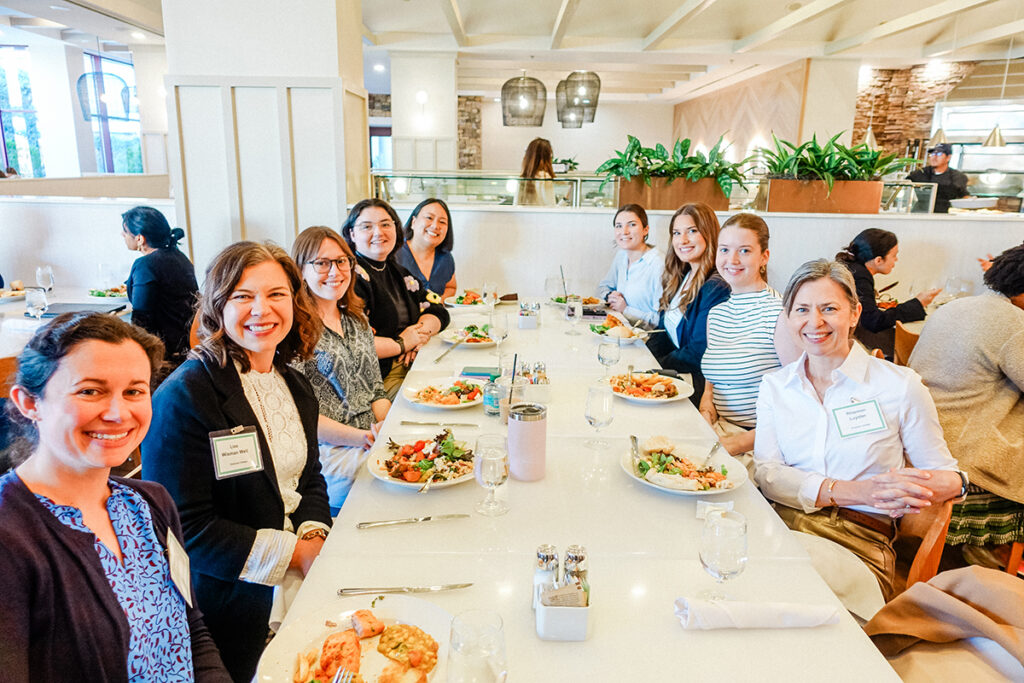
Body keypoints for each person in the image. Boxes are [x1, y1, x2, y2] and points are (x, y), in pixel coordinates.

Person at [0, 312, 230, 681]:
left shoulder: (151, 505)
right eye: (90, 390)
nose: (117, 413)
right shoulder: (11, 536)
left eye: (134, 391)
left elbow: (192, 631)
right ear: (30, 403)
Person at [142, 241, 332, 682]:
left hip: (305, 574)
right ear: (217, 305)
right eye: (242, 296)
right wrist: (296, 554)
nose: (261, 310)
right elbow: (187, 527)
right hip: (231, 601)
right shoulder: (186, 396)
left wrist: (315, 534)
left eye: (276, 294)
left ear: (295, 301)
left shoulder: (294, 385)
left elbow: (310, 480)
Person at [755, 259, 964, 599]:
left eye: (829, 309)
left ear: (854, 314)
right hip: (778, 527)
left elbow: (947, 476)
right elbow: (767, 474)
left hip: (858, 541)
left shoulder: (899, 386)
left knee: (777, 592)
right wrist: (857, 491)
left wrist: (923, 487)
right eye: (802, 309)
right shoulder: (775, 387)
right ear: (788, 318)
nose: (815, 322)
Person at [910, 244, 1024, 569]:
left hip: (922, 437)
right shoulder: (1013, 323)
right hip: (967, 453)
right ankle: (994, 554)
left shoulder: (955, 307)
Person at [291, 226, 390, 513]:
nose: (334, 271)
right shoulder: (296, 330)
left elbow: (377, 391)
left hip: (370, 439)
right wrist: (366, 438)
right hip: (330, 451)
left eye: (341, 261)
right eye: (321, 263)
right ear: (301, 270)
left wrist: (388, 427)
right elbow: (303, 417)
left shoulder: (356, 320)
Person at [699, 213, 796, 461]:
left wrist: (737, 443)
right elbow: (713, 378)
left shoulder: (780, 313)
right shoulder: (717, 313)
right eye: (724, 250)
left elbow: (801, 398)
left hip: (762, 444)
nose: (731, 260)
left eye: (744, 251)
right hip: (719, 431)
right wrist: (706, 407)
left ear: (764, 257)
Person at [342, 199, 450, 399]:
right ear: (352, 234)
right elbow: (355, 344)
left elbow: (437, 308)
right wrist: (403, 343)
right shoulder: (350, 277)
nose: (378, 233)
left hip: (412, 363)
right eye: (367, 226)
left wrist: (417, 335)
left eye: (385, 224)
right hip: (376, 380)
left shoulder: (397, 272)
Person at [645, 203, 730, 405]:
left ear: (709, 234)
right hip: (676, 373)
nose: (682, 240)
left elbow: (698, 350)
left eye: (692, 231)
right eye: (676, 233)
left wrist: (655, 368)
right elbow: (662, 332)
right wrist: (643, 358)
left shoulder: (716, 286)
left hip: (698, 385)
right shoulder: (682, 276)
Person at [835, 229, 941, 358]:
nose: (896, 260)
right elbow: (873, 321)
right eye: (894, 255)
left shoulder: (852, 268)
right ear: (878, 260)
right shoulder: (860, 277)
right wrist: (918, 303)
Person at [121, 206, 200, 366]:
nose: (122, 235)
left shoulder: (145, 265)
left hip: (163, 356)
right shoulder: (179, 257)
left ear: (140, 238)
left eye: (125, 231)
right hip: (187, 349)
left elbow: (141, 319)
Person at [596, 204, 664, 327]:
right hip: (620, 330)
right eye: (619, 226)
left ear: (645, 230)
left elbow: (661, 321)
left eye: (632, 224)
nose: (624, 231)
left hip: (646, 341)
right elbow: (603, 287)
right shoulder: (621, 255)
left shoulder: (658, 264)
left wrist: (626, 310)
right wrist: (609, 296)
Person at [394, 197, 457, 300]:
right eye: (429, 218)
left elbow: (451, 288)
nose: (435, 226)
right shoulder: (394, 254)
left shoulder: (445, 258)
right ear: (413, 222)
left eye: (442, 222)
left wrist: (439, 301)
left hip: (434, 315)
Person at [907, 143, 969, 214]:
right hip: (920, 213)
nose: (934, 157)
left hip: (946, 215)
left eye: (939, 154)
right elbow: (905, 187)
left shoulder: (957, 176)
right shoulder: (920, 173)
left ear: (948, 157)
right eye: (932, 154)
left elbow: (964, 196)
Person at [517, 137, 557, 206]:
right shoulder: (545, 177)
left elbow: (517, 204)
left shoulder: (523, 177)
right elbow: (551, 206)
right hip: (542, 216)